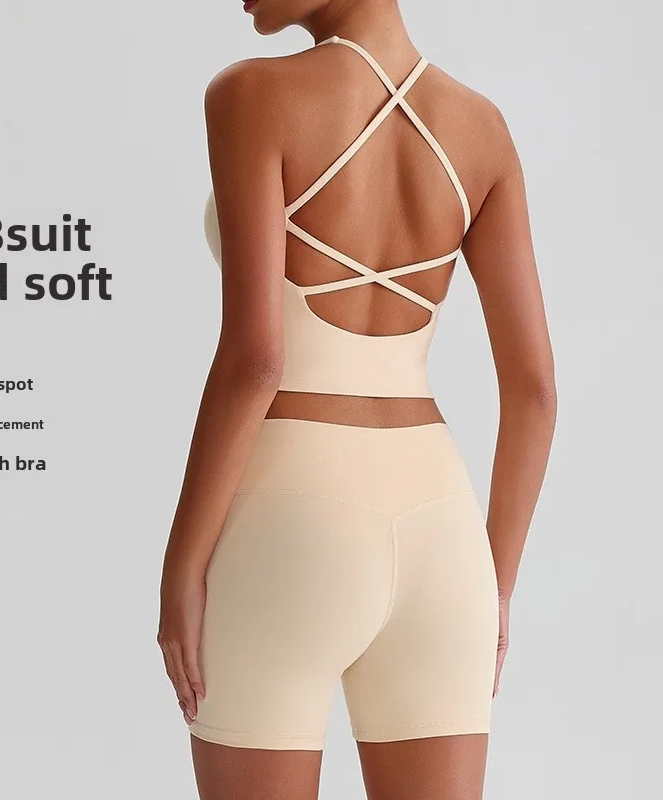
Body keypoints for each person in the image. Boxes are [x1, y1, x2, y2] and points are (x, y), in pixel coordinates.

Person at [157, 0, 557, 797]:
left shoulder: (250, 95)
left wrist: (182, 565)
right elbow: (536, 391)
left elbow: (256, 361)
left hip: (289, 517)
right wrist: (495, 586)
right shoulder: (483, 129)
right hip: (444, 531)